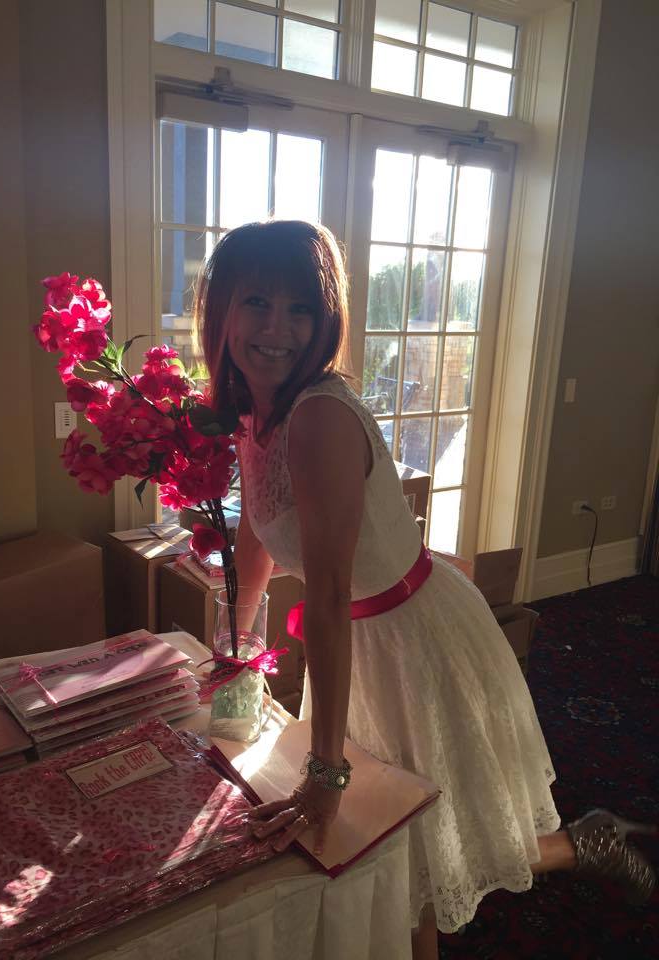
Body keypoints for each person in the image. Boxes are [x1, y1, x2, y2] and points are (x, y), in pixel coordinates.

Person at [196, 219, 656, 959]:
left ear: (326, 319)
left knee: (417, 850)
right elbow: (255, 530)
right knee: (406, 853)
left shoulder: (316, 416)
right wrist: (237, 650)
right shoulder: (254, 413)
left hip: (410, 636)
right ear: (220, 310)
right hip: (364, 639)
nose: (277, 329)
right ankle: (587, 842)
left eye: (301, 309)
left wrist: (325, 771)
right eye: (257, 302)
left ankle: (584, 845)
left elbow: (330, 593)